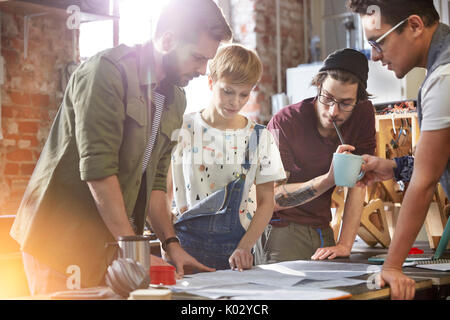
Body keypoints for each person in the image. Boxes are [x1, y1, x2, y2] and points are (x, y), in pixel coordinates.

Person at [10, 0, 232, 295]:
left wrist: (171, 245)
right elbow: (99, 173)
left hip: (110, 245)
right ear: (167, 40)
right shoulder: (106, 72)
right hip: (59, 240)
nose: (203, 70)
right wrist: (134, 254)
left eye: (207, 60)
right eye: (196, 57)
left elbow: (154, 183)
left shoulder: (176, 99)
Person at [347, 0, 450, 300]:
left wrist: (392, 266)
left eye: (377, 43)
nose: (375, 56)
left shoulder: (443, 79)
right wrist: (392, 168)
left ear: (415, 26)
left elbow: (424, 182)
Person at [170, 44, 286, 271]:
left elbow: (266, 202)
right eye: (228, 91)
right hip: (182, 248)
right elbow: (162, 192)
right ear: (211, 82)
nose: (235, 102)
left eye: (244, 94)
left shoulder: (260, 138)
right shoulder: (183, 127)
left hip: (237, 251)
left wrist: (245, 247)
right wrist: (168, 244)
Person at [254, 48, 377, 265]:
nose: (333, 111)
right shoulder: (285, 122)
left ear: (358, 100)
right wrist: (328, 179)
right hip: (280, 227)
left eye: (345, 103)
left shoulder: (363, 115)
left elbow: (359, 182)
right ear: (318, 85)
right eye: (327, 98)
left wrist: (345, 244)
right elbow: (269, 199)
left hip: (322, 227)